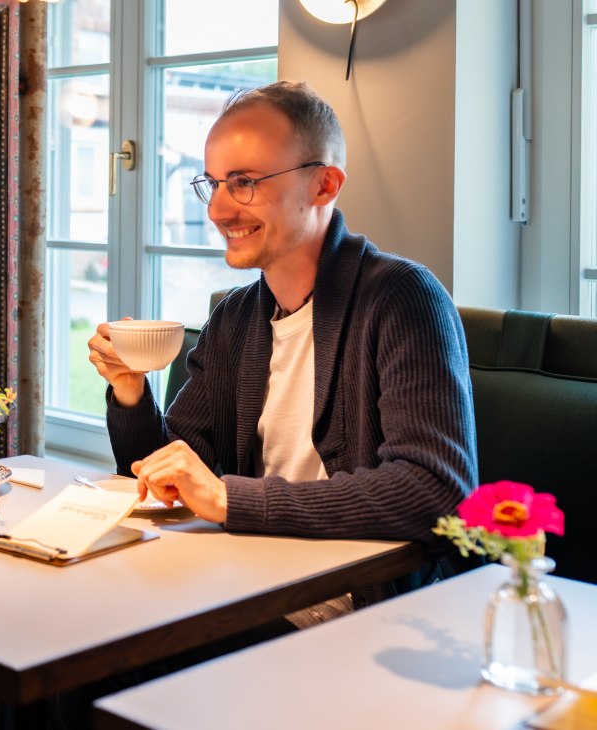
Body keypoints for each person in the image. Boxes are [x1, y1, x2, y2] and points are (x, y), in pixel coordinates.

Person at [88, 81, 477, 607]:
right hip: (243, 584)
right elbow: (170, 477)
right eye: (214, 184)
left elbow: (434, 490)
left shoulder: (401, 298)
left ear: (324, 185)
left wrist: (230, 499)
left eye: (244, 182)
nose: (219, 211)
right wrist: (130, 390)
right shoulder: (237, 316)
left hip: (353, 606)